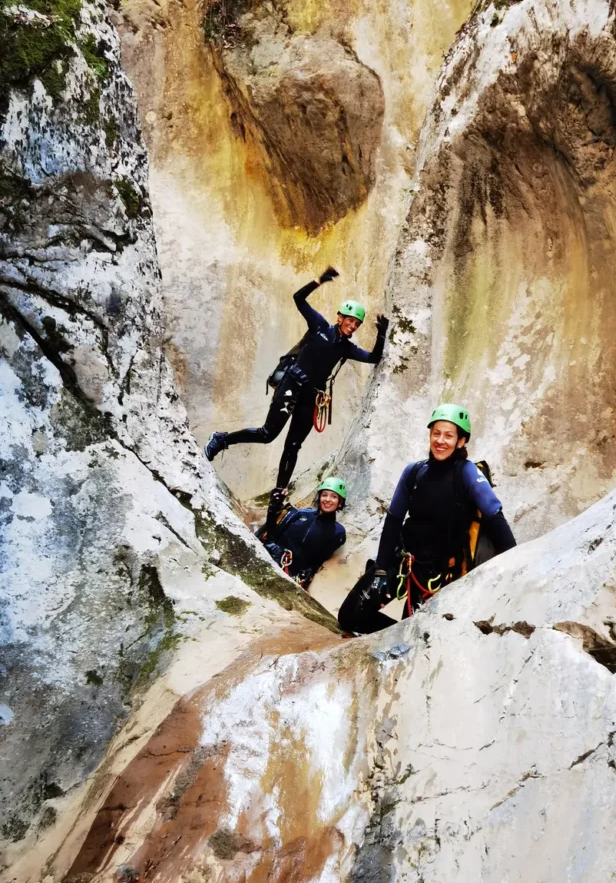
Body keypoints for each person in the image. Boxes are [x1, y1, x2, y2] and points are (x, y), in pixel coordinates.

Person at [204, 268, 389, 493]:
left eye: (357, 323)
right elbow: (298, 298)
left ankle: (278, 495)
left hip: (312, 398)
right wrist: (319, 280)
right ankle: (221, 440)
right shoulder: (320, 326)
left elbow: (373, 358)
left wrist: (381, 334)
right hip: (291, 386)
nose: (353, 325)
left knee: (293, 446)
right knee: (267, 434)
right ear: (340, 317)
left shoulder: (346, 348)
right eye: (350, 320)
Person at [337, 404, 516, 635]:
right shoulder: (414, 471)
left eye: (448, 435)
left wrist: (517, 564)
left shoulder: (467, 472)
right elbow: (393, 521)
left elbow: (495, 517)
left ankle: (400, 634)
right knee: (349, 616)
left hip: (440, 572)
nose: (440, 441)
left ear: (461, 441)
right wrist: (381, 569)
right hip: (404, 562)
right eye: (436, 433)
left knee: (415, 635)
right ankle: (395, 633)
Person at [258, 477, 348, 590]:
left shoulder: (338, 532)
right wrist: (273, 508)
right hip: (269, 559)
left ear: (340, 503)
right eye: (324, 495)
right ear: (319, 497)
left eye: (334, 497)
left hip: (292, 577)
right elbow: (272, 533)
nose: (328, 499)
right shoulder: (300, 513)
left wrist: (308, 572)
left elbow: (319, 560)